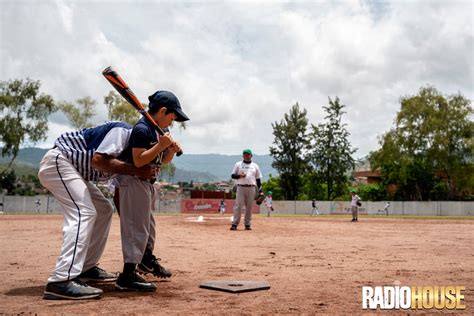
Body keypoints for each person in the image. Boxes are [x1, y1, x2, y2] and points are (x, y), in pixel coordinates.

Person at [38, 121, 156, 300]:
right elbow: (98, 160)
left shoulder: (128, 155)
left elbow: (119, 193)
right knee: (84, 212)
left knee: (103, 209)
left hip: (73, 171)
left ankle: (86, 267)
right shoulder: (123, 132)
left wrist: (130, 222)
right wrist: (135, 170)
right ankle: (60, 280)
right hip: (59, 161)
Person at [114, 90, 189, 292]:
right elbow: (138, 160)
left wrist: (169, 151)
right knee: (136, 228)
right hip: (133, 182)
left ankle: (145, 261)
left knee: (148, 228)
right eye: (173, 115)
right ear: (163, 110)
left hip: (147, 184)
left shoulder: (156, 130)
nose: (174, 119)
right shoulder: (142, 129)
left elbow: (160, 162)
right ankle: (127, 274)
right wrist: (160, 145)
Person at [230, 149, 263, 231]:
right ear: (242, 156)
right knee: (239, 206)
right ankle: (234, 224)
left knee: (249, 207)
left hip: (251, 188)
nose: (246, 156)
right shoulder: (238, 164)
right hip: (240, 187)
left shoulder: (255, 166)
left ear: (251, 155)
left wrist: (260, 191)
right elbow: (233, 175)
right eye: (245, 154)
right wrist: (239, 176)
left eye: (248, 154)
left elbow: (258, 180)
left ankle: (247, 224)